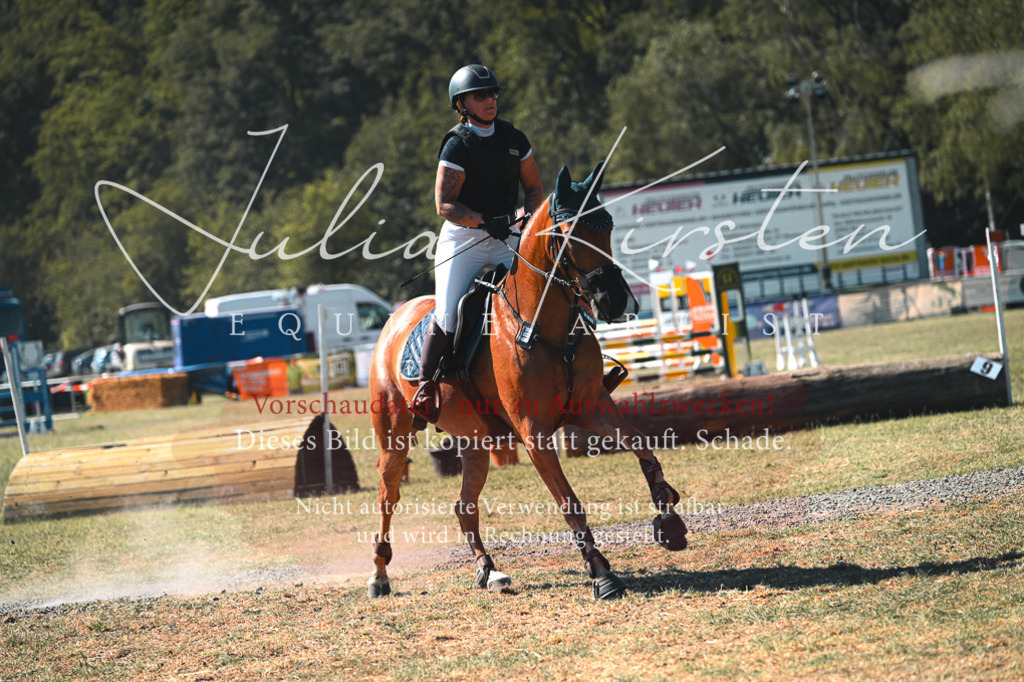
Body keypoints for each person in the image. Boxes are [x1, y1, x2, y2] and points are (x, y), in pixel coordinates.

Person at [410, 64, 544, 427]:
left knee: (546, 287)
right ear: (461, 104)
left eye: (492, 94)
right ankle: (425, 388)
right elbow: (444, 205)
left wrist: (527, 221)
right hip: (464, 237)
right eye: (480, 95)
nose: (489, 100)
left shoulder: (513, 138)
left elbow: (534, 188)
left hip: (507, 232)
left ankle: (585, 368)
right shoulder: (458, 144)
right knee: (448, 313)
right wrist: (486, 221)